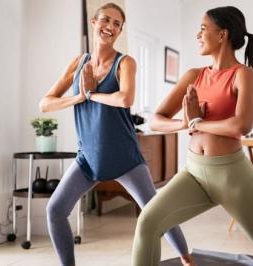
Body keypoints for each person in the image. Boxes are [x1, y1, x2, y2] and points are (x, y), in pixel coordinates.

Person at [131, 6, 253, 266]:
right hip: (194, 173)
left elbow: (242, 125)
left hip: (234, 178)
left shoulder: (243, 74)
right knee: (148, 222)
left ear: (222, 35)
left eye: (203, 28)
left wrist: (197, 122)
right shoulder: (194, 76)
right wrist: (184, 122)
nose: (198, 34)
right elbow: (156, 119)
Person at [38, 3, 193, 266]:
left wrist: (92, 94)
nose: (110, 27)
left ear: (120, 31)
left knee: (156, 213)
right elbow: (45, 104)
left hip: (124, 158)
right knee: (55, 210)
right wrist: (79, 96)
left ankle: (188, 260)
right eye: (105, 21)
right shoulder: (79, 63)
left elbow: (125, 98)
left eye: (116, 24)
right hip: (88, 158)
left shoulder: (125, 62)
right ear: (94, 23)